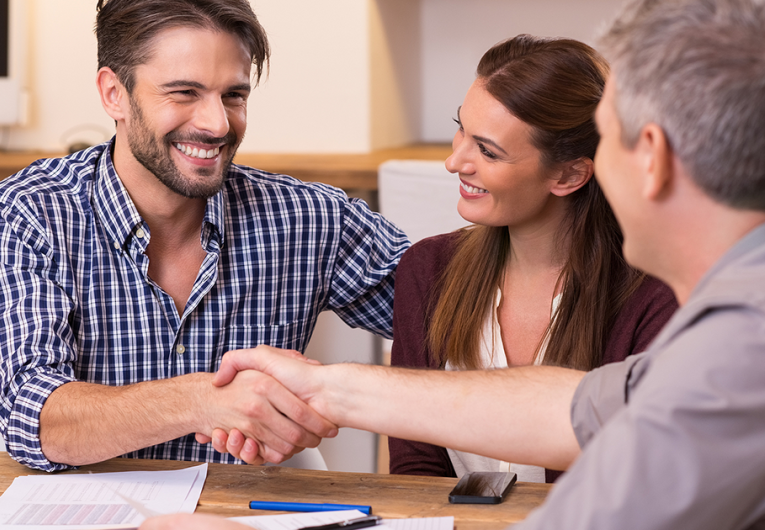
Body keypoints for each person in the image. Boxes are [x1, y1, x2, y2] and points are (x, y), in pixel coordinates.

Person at [143, 0, 765, 527]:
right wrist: (322, 389)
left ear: (645, 156)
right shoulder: (725, 324)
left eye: (611, 139)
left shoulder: (739, 344)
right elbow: (582, 406)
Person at [0, 0, 408, 472]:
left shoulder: (311, 220)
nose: (217, 124)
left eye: (233, 96)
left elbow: (464, 320)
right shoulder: (29, 213)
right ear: (114, 94)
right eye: (184, 92)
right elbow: (32, 418)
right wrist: (205, 399)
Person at [388, 35, 677, 483]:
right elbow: (417, 469)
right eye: (461, 127)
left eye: (488, 151)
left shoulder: (654, 296)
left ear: (569, 174)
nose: (454, 160)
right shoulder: (427, 270)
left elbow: (639, 479)